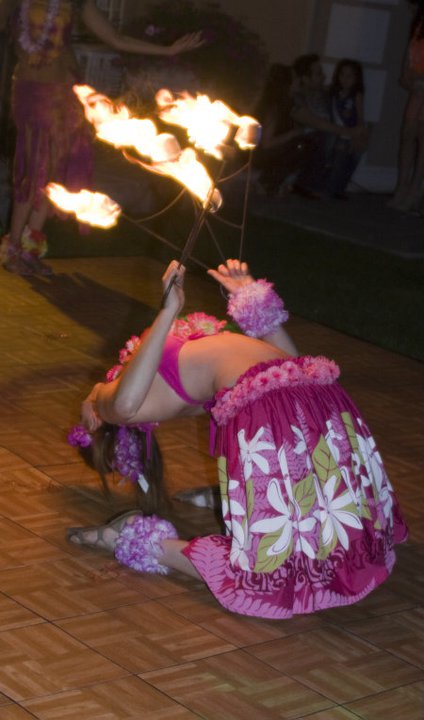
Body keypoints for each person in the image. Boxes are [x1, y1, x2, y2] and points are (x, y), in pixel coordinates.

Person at [66, 257, 408, 620]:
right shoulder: (133, 392)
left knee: (276, 565)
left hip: (295, 396)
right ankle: (166, 530)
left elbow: (125, 403)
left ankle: (163, 531)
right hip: (317, 395)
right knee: (283, 548)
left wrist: (200, 306)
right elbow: (288, 362)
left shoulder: (117, 392)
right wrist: (238, 301)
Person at [0, 0, 203, 276]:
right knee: (33, 168)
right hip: (32, 94)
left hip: (65, 94)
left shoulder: (75, 2)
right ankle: (13, 250)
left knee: (53, 172)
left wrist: (167, 49)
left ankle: (30, 246)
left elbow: (115, 38)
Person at [291, 53, 367, 198]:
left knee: (355, 144)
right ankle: (309, 184)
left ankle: (337, 187)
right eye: (319, 74)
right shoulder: (299, 97)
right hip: (309, 139)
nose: (324, 76)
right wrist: (350, 132)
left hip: (334, 135)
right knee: (332, 138)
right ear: (306, 79)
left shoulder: (326, 93)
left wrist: (358, 133)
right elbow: (316, 123)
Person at [253, 63, 312, 197]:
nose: (299, 81)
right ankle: (267, 182)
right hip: (261, 154)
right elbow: (267, 144)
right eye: (295, 78)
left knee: (305, 143)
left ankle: (273, 183)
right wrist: (293, 134)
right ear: (286, 84)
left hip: (271, 151)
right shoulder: (274, 108)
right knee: (300, 146)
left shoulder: (287, 104)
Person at [389, 0, 424, 212]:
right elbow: (407, 64)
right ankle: (402, 187)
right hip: (417, 90)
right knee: (408, 136)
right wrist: (410, 79)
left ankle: (414, 190)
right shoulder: (417, 26)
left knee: (421, 138)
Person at [326, 58, 368, 198]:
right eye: (342, 75)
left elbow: (361, 116)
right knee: (338, 161)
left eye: (350, 76)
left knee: (350, 161)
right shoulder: (333, 94)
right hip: (338, 133)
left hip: (352, 133)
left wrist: (360, 134)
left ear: (356, 78)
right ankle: (332, 188)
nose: (345, 79)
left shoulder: (356, 95)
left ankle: (340, 188)